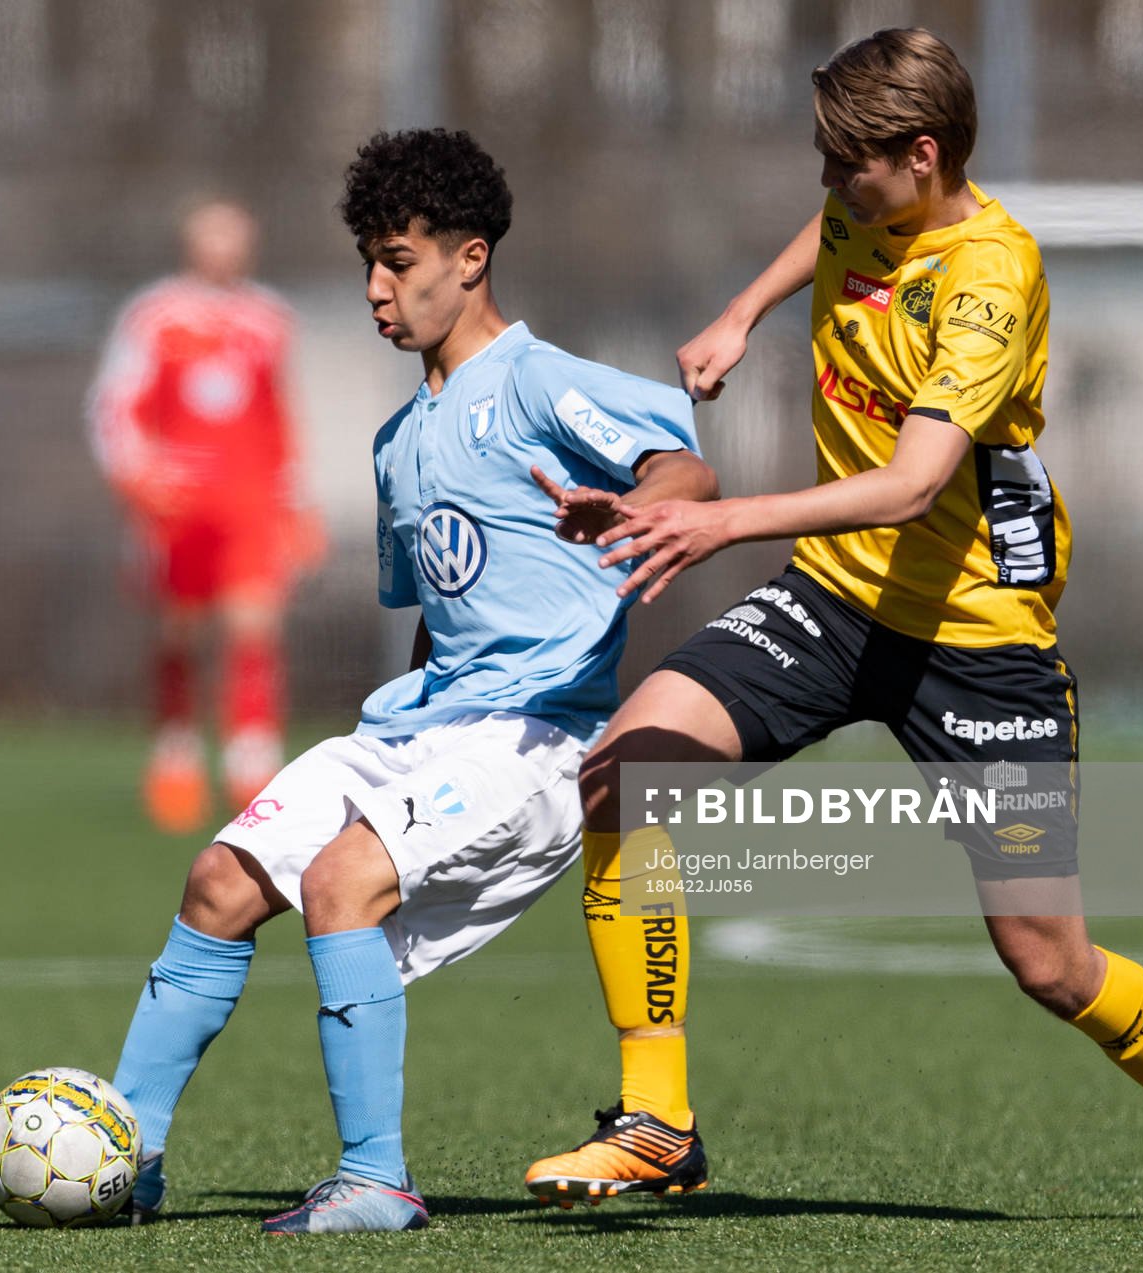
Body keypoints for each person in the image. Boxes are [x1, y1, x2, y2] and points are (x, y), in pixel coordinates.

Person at [523, 28, 1143, 1227]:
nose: (828, 189)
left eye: (848, 167)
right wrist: (743, 313)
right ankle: (655, 1117)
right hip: (832, 600)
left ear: (921, 157)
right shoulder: (867, 205)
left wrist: (728, 526)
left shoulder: (990, 277)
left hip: (977, 644)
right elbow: (826, 233)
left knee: (1050, 961)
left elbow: (914, 483)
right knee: (627, 774)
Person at [108, 128, 714, 1233]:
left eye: (399, 261)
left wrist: (635, 510)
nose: (377, 291)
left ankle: (377, 1180)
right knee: (219, 881)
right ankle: (125, 1155)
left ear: (470, 258)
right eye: (368, 265)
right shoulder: (399, 441)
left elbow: (682, 462)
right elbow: (440, 624)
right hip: (421, 727)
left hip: (534, 737)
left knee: (343, 883)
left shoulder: (536, 383)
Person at [86, 199, 324, 833]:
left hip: (249, 504)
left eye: (234, 235)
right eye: (210, 235)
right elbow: (113, 405)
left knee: (255, 628)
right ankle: (176, 758)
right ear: (190, 242)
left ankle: (254, 763)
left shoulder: (270, 320)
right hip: (179, 504)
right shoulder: (155, 315)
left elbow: (282, 418)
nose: (222, 248)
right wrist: (138, 480)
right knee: (180, 633)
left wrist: (296, 503)